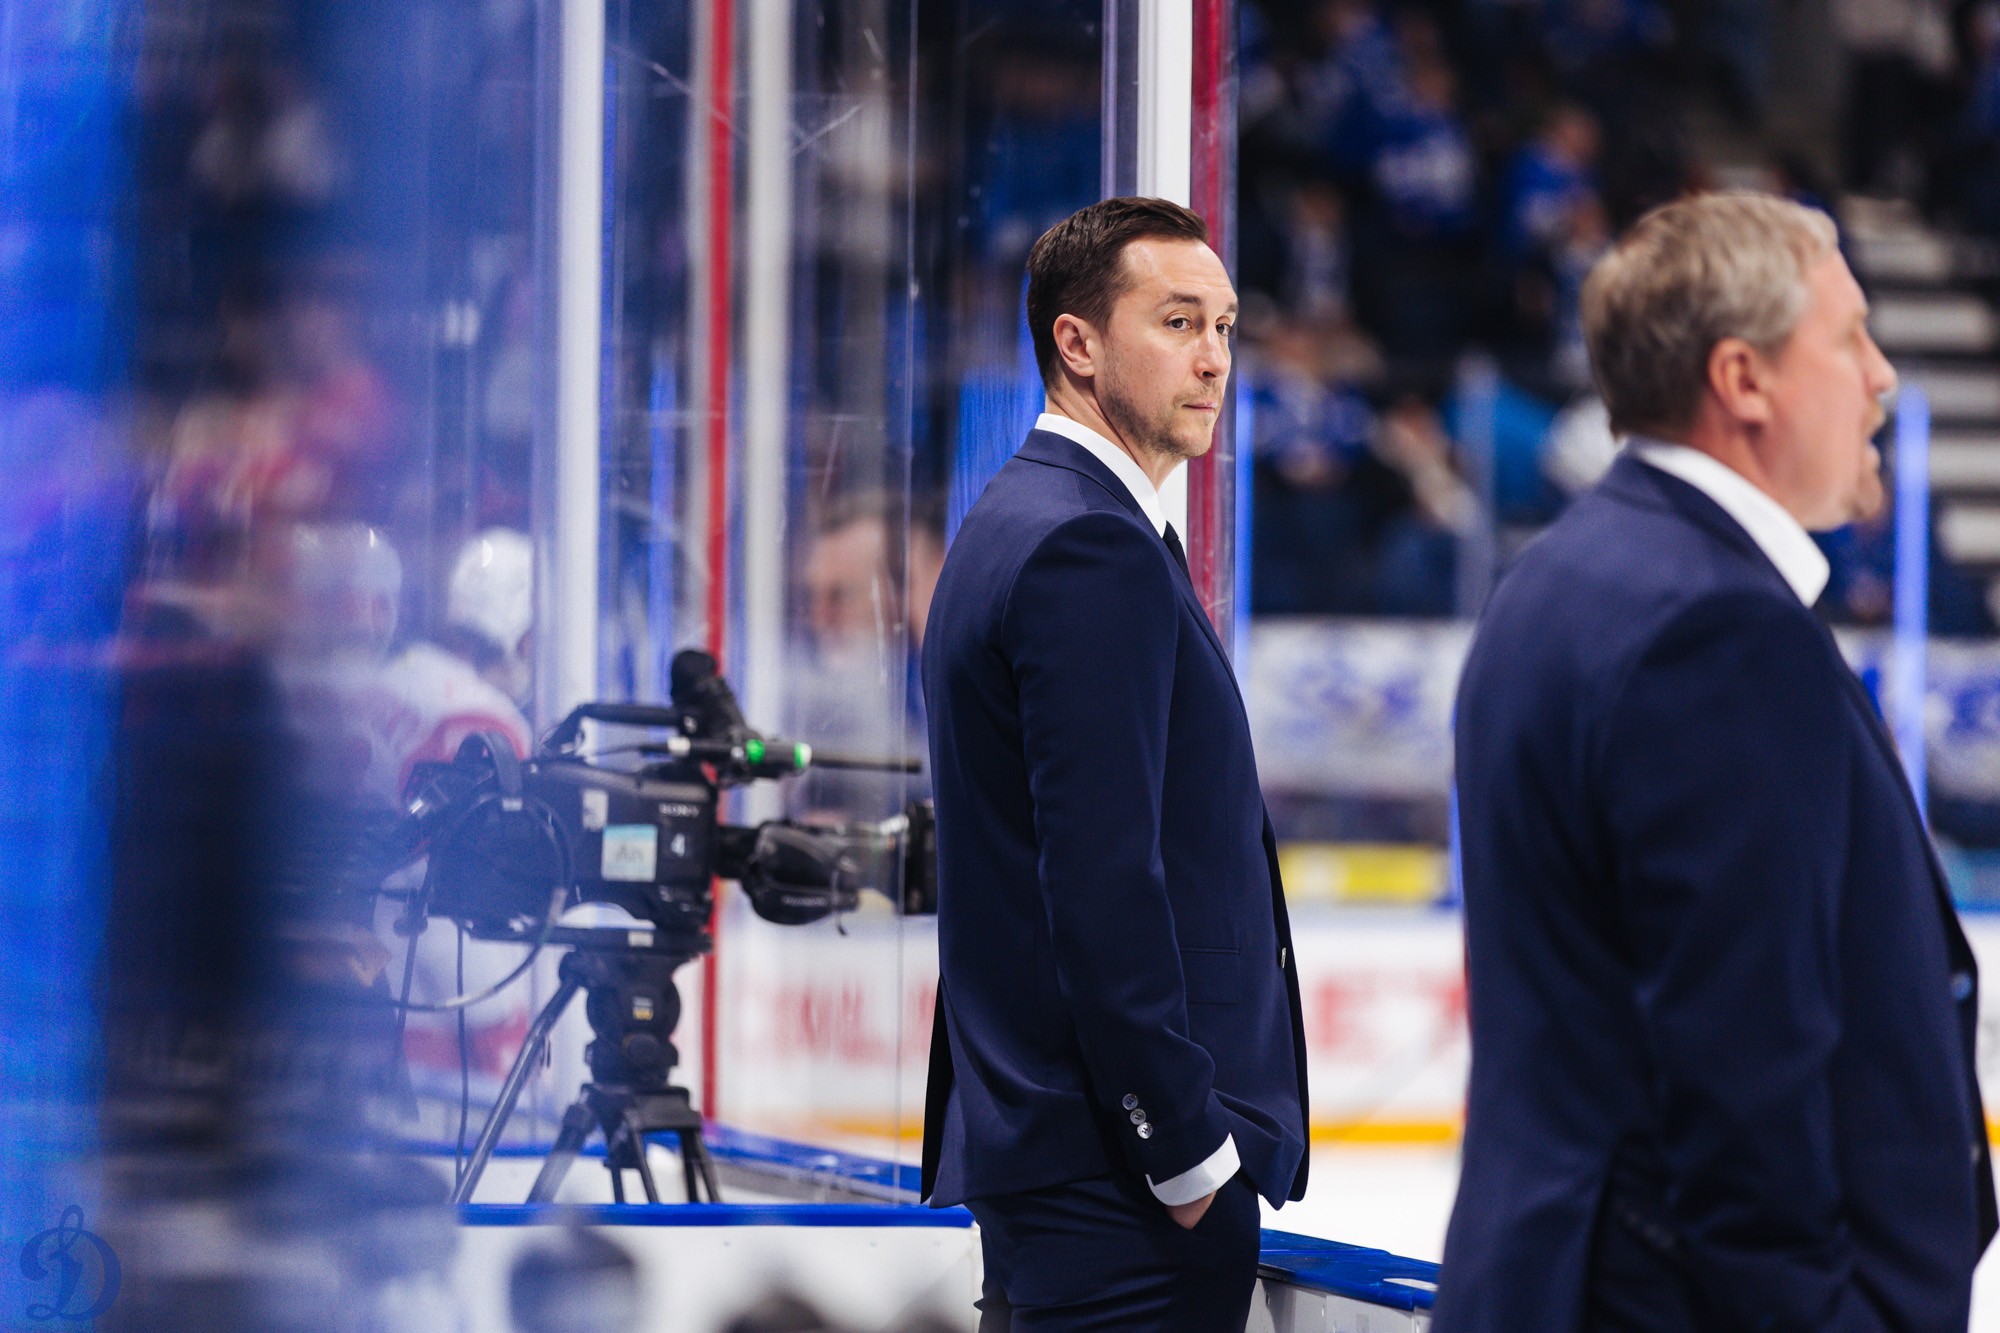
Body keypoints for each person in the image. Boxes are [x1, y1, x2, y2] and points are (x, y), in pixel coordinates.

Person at [1435, 191, 1995, 1331]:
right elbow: (1745, 1066)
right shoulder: (1715, 625)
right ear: (1742, 378)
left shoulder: (1561, 576)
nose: (1882, 376)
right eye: (1848, 337)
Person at [920, 196, 1309, 1330]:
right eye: (1178, 322)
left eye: (1224, 328)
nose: (1214, 358)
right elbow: (1100, 882)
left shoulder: (1021, 516)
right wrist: (1184, 1151)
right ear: (1076, 343)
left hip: (1059, 1159)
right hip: (1119, 1183)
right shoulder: (1086, 543)